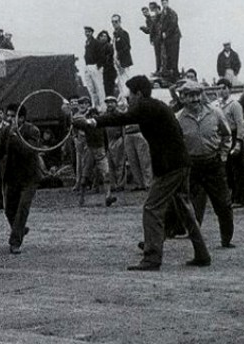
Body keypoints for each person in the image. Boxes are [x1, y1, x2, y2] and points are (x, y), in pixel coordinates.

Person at [79, 75, 211, 271]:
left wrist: (91, 122)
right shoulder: (156, 105)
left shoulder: (145, 106)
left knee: (151, 208)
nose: (128, 98)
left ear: (138, 93)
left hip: (169, 166)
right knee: (185, 209)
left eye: (130, 94)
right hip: (180, 163)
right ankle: (202, 254)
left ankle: (152, 257)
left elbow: (122, 118)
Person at [176, 81, 236, 249]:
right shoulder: (178, 118)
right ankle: (197, 242)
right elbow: (176, 144)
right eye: (190, 95)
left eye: (197, 94)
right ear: (183, 98)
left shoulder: (215, 113)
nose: (195, 99)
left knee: (223, 203)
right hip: (192, 166)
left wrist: (223, 155)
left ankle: (226, 239)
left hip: (213, 164)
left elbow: (226, 134)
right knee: (192, 207)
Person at [0, 105, 43, 254]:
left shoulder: (32, 131)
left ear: (21, 118)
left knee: (23, 208)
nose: (8, 119)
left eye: (12, 116)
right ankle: (20, 228)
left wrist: (15, 137)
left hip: (30, 177)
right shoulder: (5, 131)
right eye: (8, 116)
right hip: (13, 177)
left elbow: (29, 151)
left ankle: (15, 242)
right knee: (9, 209)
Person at [72, 96, 117, 207]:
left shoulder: (99, 125)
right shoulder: (86, 124)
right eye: (92, 115)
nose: (94, 117)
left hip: (99, 150)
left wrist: (105, 151)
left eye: (95, 115)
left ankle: (108, 196)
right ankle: (82, 198)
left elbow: (105, 138)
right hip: (90, 150)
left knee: (106, 173)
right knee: (85, 175)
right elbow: (75, 122)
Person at [215, 78, 244, 208]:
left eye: (224, 88)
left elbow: (240, 124)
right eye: (220, 88)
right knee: (227, 168)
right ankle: (232, 196)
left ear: (230, 89)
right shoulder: (217, 105)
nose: (222, 91)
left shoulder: (234, 104)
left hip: (234, 136)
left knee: (237, 169)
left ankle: (239, 198)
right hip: (224, 137)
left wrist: (239, 142)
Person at [103, 97, 127, 192]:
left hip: (118, 139)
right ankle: (113, 185)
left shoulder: (120, 114)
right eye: (108, 103)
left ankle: (120, 184)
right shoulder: (105, 115)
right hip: (109, 140)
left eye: (111, 103)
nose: (109, 105)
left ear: (115, 103)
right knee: (110, 164)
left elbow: (123, 129)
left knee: (119, 163)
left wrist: (123, 140)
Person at [83, 26, 107, 111]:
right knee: (91, 88)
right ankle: (95, 106)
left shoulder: (96, 42)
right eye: (86, 32)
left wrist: (98, 66)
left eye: (88, 32)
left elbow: (102, 56)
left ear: (92, 32)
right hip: (88, 66)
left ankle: (103, 107)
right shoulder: (87, 42)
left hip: (95, 66)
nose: (87, 33)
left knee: (99, 87)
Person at [112, 14, 133, 101]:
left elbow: (127, 47)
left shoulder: (123, 33)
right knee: (120, 83)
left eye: (116, 22)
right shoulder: (114, 34)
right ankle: (123, 100)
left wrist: (119, 59)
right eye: (113, 22)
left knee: (125, 82)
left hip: (123, 62)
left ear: (120, 22)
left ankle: (127, 100)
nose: (114, 24)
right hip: (117, 62)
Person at [160, 0, 181, 81]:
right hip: (167, 39)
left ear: (167, 3)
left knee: (174, 56)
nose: (163, 4)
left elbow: (173, 24)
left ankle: (175, 74)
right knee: (168, 56)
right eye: (162, 3)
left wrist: (166, 33)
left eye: (165, 2)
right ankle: (169, 74)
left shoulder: (172, 13)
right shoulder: (162, 13)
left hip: (174, 38)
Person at [139, 4, 163, 75]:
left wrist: (144, 29)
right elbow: (150, 31)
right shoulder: (148, 20)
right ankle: (158, 69)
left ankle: (160, 69)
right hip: (155, 39)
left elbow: (152, 29)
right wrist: (144, 29)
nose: (145, 13)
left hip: (159, 39)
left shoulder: (154, 18)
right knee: (157, 55)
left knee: (160, 54)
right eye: (143, 12)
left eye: (146, 11)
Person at [98, 30, 118, 98]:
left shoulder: (109, 46)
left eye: (105, 36)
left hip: (108, 70)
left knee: (108, 89)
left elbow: (109, 58)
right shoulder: (98, 47)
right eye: (102, 36)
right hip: (102, 70)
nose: (103, 38)